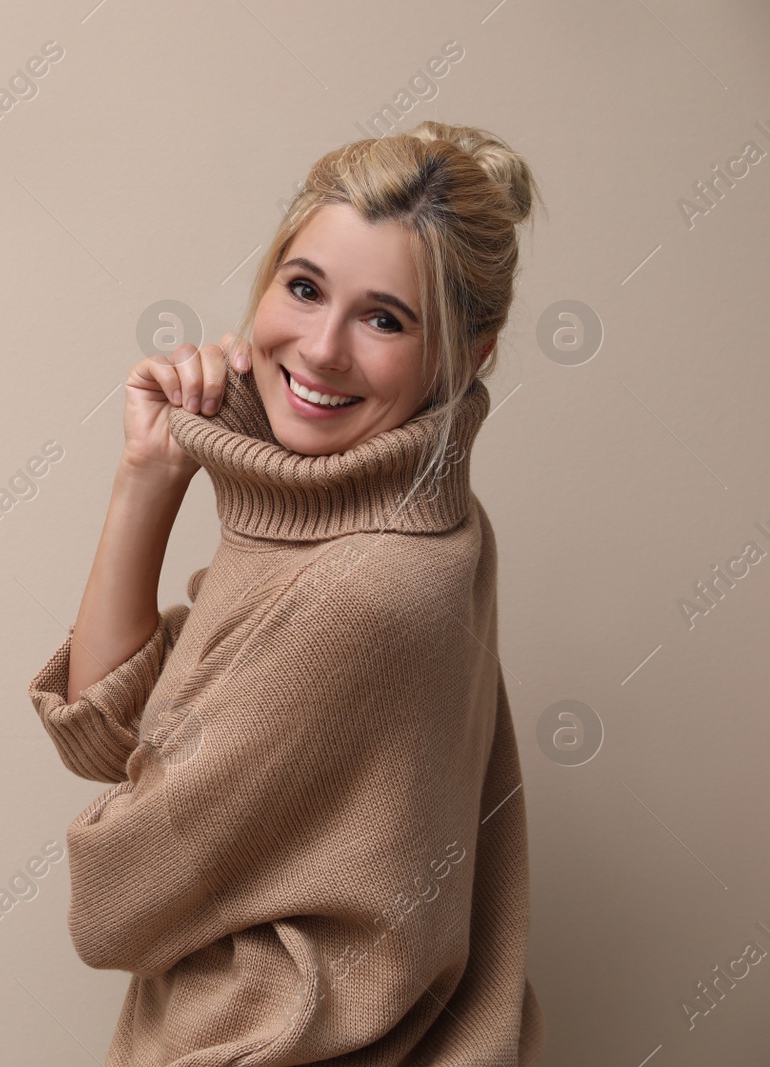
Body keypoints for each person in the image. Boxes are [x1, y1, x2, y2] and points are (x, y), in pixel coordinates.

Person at [27, 121, 547, 1065]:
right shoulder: (416, 525)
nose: (321, 348)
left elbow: (112, 903)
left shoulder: (362, 588)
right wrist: (152, 474)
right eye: (304, 289)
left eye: (385, 318)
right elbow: (109, 735)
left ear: (468, 357)